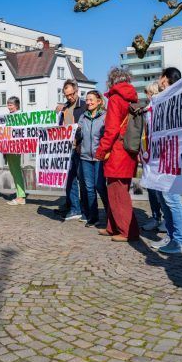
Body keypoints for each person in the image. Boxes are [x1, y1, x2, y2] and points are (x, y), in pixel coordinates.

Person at [94, 68, 141, 242]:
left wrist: (101, 150)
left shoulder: (115, 98)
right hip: (128, 149)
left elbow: (112, 129)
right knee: (117, 190)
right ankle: (113, 226)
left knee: (118, 192)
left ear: (112, 81)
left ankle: (128, 231)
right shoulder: (132, 98)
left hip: (117, 152)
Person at [150, 67, 182, 254]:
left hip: (172, 156)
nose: (159, 80)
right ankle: (171, 236)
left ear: (165, 78)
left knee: (171, 198)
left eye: (161, 77)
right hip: (161, 156)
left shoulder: (177, 97)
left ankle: (181, 240)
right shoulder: (162, 98)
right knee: (162, 197)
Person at [55, 79, 87, 221]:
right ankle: (74, 208)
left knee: (83, 181)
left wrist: (81, 142)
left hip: (80, 148)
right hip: (67, 149)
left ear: (76, 91)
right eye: (66, 95)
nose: (69, 97)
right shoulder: (64, 108)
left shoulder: (84, 106)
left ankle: (86, 210)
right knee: (70, 180)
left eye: (71, 94)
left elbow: (87, 127)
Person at [78, 90, 108, 228]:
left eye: (91, 100)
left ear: (99, 101)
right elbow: (78, 134)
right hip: (85, 157)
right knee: (89, 188)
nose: (88, 102)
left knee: (100, 186)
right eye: (87, 100)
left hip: (99, 157)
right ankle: (93, 217)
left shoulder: (105, 116)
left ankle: (110, 215)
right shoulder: (83, 117)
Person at [140, 83, 165, 232]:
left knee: (161, 189)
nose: (148, 96)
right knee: (150, 188)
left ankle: (166, 219)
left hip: (161, 155)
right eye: (147, 93)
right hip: (148, 154)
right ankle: (155, 217)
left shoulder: (162, 109)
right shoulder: (145, 111)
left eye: (150, 93)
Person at [5, 97, 26, 206]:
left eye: (11, 105)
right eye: (8, 105)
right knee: (13, 171)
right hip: (8, 147)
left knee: (16, 171)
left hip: (15, 147)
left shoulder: (20, 116)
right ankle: (19, 195)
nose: (9, 107)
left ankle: (21, 196)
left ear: (16, 106)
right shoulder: (9, 116)